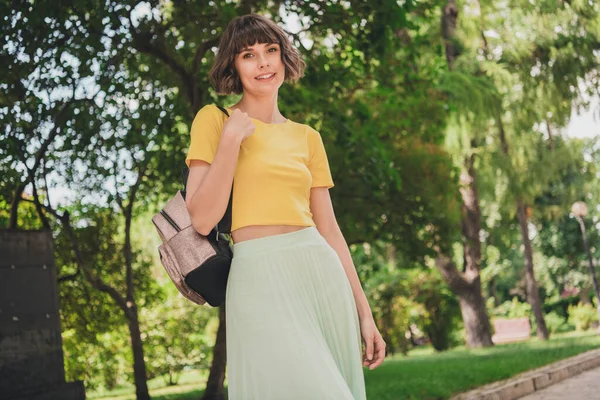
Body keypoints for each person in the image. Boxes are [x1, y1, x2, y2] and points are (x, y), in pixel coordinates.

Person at [184, 13, 385, 400]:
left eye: (270, 50)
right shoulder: (214, 120)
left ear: (282, 58)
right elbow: (202, 218)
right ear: (233, 65)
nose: (263, 62)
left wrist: (365, 313)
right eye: (248, 54)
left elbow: (329, 230)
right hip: (257, 278)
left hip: (319, 274)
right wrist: (230, 142)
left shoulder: (308, 137)